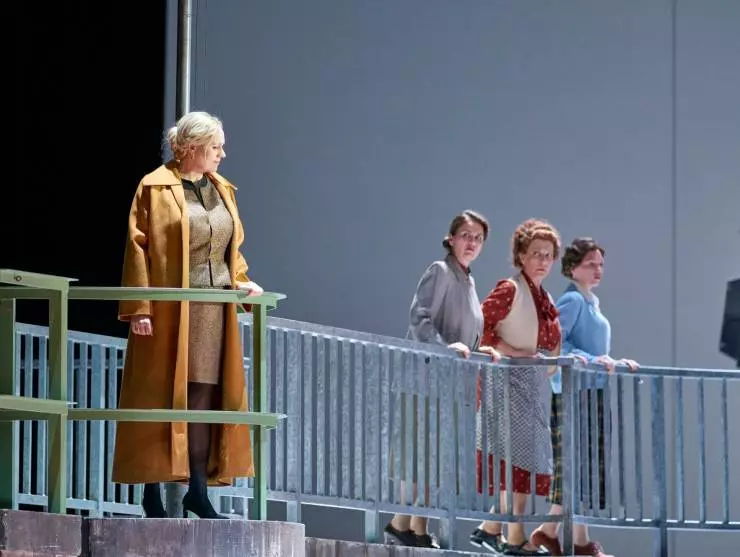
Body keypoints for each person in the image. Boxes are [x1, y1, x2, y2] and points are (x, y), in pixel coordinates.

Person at [112, 111, 264, 519]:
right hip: (169, 310)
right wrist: (140, 307)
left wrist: (242, 281)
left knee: (202, 398)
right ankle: (151, 493)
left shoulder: (222, 189)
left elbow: (229, 247)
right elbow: (138, 249)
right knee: (160, 394)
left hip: (213, 310)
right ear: (193, 147)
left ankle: (197, 491)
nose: (222, 154)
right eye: (216, 147)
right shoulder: (155, 186)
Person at [384, 210, 501, 548]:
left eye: (478, 238)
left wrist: (480, 350)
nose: (472, 243)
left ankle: (413, 526)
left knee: (434, 455)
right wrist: (444, 348)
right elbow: (420, 318)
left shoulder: (468, 281)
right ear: (451, 239)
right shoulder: (441, 271)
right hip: (423, 379)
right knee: (416, 452)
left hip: (447, 385)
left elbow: (463, 333)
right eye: (466, 235)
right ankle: (404, 523)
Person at [530, 238, 638, 557]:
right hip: (573, 392)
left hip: (591, 390)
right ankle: (568, 538)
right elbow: (557, 345)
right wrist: (593, 360)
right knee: (575, 464)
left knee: (586, 465)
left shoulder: (591, 301)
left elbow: (593, 349)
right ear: (573, 267)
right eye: (590, 264)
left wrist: (613, 361)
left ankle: (565, 536)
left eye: (600, 264)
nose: (598, 269)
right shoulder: (573, 300)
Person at [472, 218, 562, 556]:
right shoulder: (510, 289)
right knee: (516, 462)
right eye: (536, 253)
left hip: (528, 385)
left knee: (524, 461)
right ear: (521, 256)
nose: (543, 260)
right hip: (505, 382)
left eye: (548, 255)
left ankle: (491, 528)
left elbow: (549, 342)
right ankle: (514, 537)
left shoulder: (543, 296)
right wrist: (514, 352)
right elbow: (479, 327)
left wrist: (544, 362)